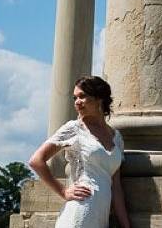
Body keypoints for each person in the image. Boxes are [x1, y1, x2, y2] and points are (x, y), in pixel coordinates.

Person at [29, 76, 131, 228]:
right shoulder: (74, 129)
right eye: (75, 97)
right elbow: (36, 161)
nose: (77, 102)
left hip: (100, 217)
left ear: (99, 99)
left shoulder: (116, 138)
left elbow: (116, 188)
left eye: (82, 96)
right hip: (79, 211)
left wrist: (126, 225)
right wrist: (63, 191)